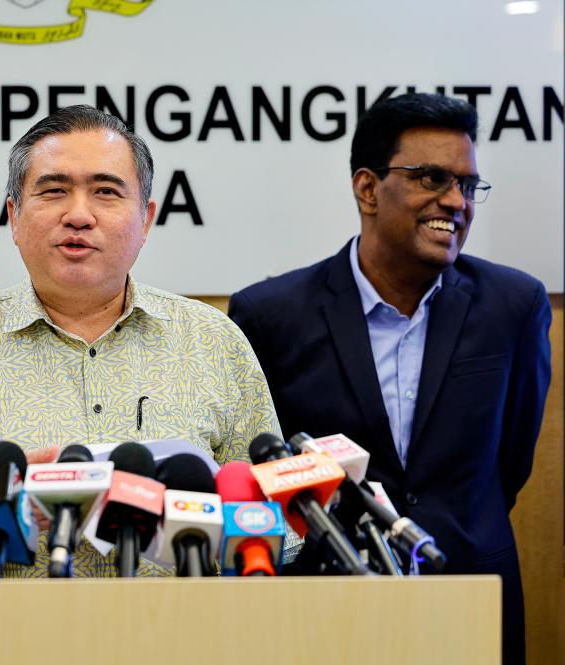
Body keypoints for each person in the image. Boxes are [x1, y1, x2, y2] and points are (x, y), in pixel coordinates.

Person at [0, 105, 282, 580]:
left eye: (105, 192)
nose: (79, 215)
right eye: (54, 191)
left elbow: (285, 528)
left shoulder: (215, 342)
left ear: (146, 219)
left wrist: (193, 520)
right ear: (14, 216)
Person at [228, 92, 551, 664]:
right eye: (431, 178)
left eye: (468, 185)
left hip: (472, 592)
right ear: (368, 189)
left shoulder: (513, 306)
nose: (455, 201)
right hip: (326, 606)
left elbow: (510, 465)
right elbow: (268, 472)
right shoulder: (271, 316)